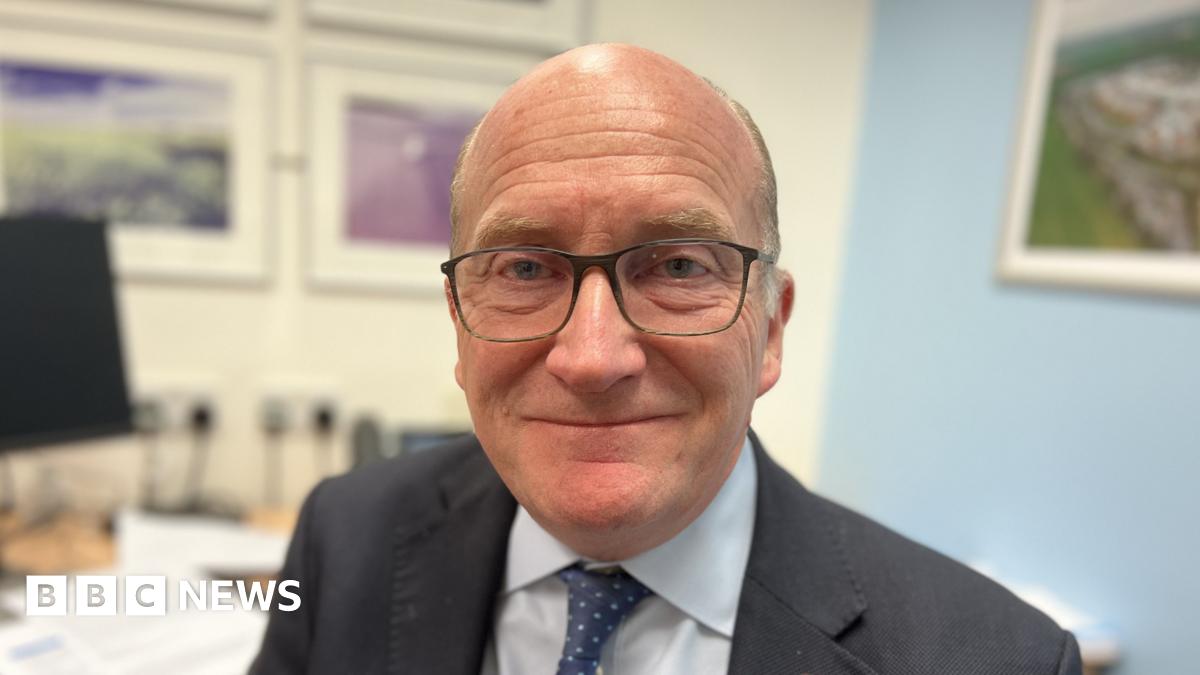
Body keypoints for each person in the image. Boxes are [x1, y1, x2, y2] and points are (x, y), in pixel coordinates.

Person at [253, 44, 1081, 675]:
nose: (591, 357)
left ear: (772, 329)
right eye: (526, 269)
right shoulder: (346, 535)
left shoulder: (994, 656)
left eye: (679, 265)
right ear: (460, 323)